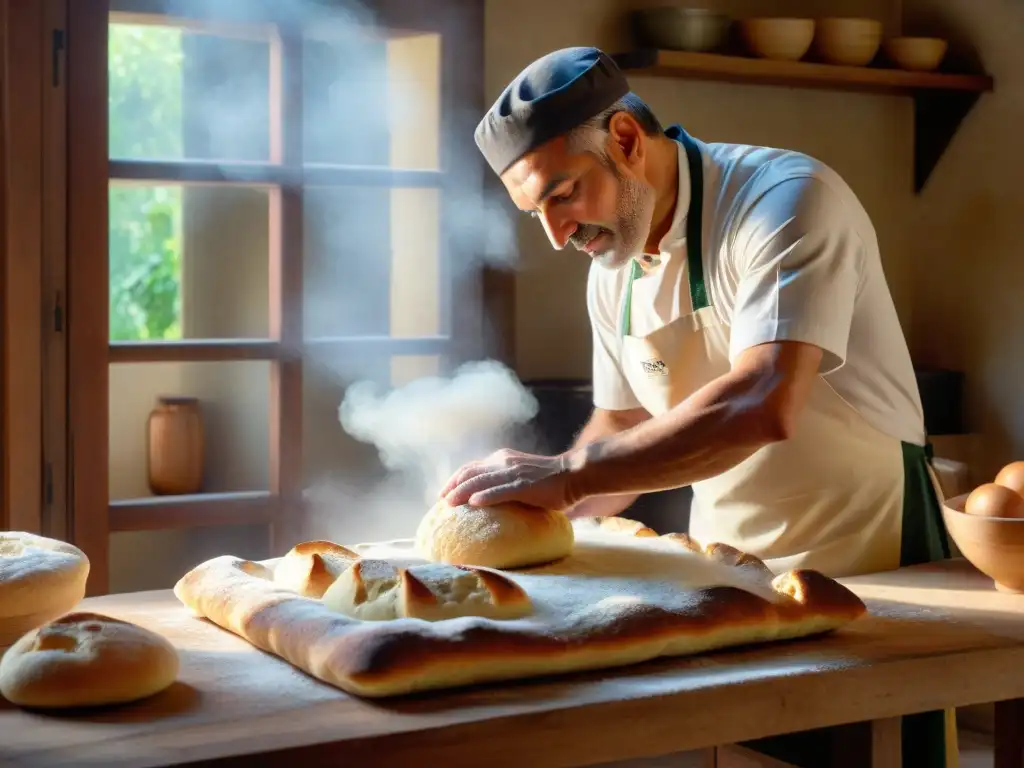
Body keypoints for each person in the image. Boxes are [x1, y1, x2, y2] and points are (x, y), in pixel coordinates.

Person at [440, 46, 955, 768]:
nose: (557, 236)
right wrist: (529, 517)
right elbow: (623, 428)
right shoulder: (609, 269)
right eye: (535, 213)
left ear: (624, 140)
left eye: (563, 194)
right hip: (729, 581)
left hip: (868, 556)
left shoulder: (785, 199)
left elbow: (763, 400)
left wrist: (566, 472)